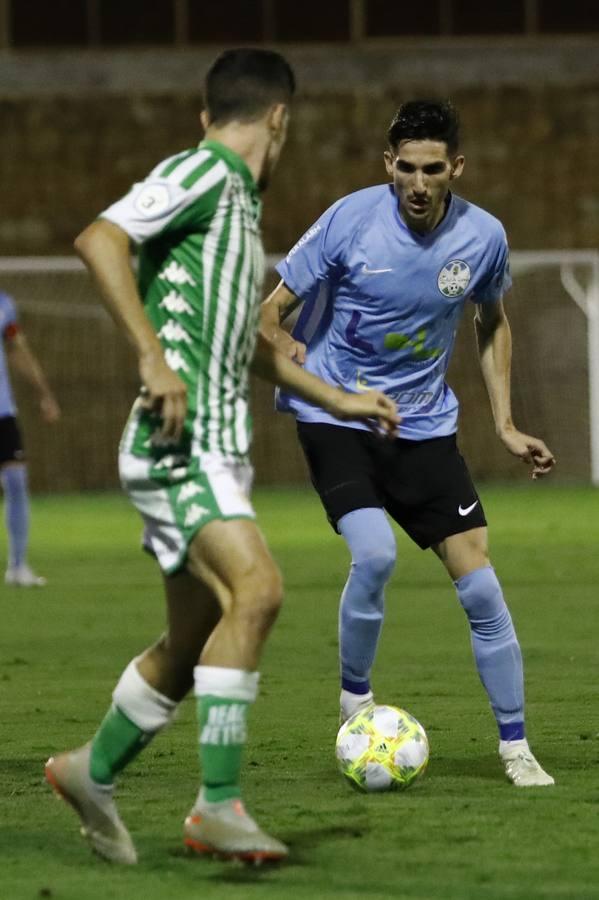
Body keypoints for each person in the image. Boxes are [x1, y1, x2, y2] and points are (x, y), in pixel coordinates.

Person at [45, 48, 397, 866]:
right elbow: (99, 239)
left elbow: (246, 342)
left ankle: (89, 773)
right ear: (279, 119)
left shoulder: (236, 208)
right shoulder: (203, 174)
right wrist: (149, 356)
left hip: (215, 452)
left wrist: (338, 397)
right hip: (179, 445)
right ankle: (216, 807)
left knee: (193, 634)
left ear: (212, 111)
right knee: (259, 589)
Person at [260, 100, 556, 788]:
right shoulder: (347, 220)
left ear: (455, 168)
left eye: (431, 169)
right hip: (336, 417)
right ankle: (355, 702)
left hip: (422, 427)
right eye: (404, 168)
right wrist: (283, 340)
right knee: (374, 553)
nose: (417, 183)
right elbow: (270, 311)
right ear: (386, 165)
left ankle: (514, 748)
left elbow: (491, 323)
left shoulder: (482, 238)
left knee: (481, 589)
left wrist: (505, 424)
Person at [0, 290, 60, 586]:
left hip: (3, 410)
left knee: (16, 481)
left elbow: (17, 350)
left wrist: (44, 394)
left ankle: (18, 565)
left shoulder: (5, 305)